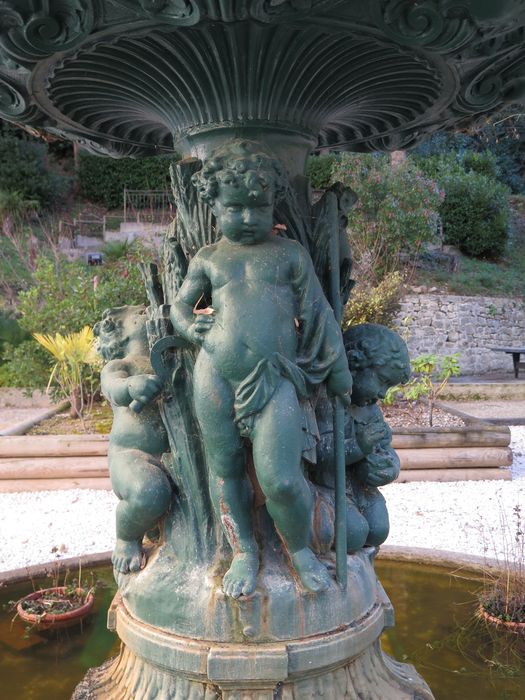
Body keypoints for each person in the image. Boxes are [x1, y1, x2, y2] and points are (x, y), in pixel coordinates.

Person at [171, 140, 353, 598]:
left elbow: (317, 311)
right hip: (214, 374)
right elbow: (180, 306)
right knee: (226, 468)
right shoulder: (209, 258)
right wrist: (194, 328)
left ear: (273, 203)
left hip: (274, 379)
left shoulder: (290, 253)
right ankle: (244, 552)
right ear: (214, 206)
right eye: (235, 207)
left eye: (258, 206)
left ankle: (300, 552)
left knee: (281, 478)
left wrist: (339, 368)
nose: (248, 218)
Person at [315, 323, 411, 549]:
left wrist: (389, 467)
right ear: (354, 363)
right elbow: (316, 454)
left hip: (362, 488)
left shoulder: (371, 410)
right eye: (382, 381)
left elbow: (386, 447)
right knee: (354, 533)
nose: (383, 394)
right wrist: (358, 445)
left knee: (379, 529)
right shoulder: (328, 403)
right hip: (329, 489)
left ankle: (364, 569)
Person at [94, 305, 171, 575]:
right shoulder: (120, 366)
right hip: (132, 454)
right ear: (121, 334)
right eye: (139, 311)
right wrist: (131, 386)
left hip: (177, 456)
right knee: (148, 493)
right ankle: (126, 537)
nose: (147, 309)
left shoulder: (173, 356)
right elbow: (114, 389)